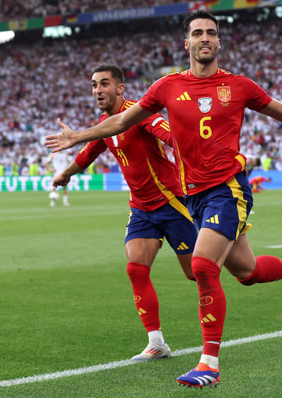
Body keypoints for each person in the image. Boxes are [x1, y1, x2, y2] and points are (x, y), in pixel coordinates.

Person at [46, 10, 282, 388]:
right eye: (197, 33)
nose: (204, 38)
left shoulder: (239, 86)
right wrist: (80, 137)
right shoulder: (166, 87)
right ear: (186, 43)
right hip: (194, 197)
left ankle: (209, 363)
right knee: (246, 271)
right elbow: (123, 121)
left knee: (204, 266)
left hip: (229, 188)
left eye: (211, 33)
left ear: (219, 42)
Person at [52, 63, 199, 362]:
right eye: (94, 85)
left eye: (104, 84)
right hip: (142, 209)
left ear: (120, 88)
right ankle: (156, 342)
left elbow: (168, 132)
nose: (97, 90)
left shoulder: (139, 113)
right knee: (136, 268)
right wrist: (66, 175)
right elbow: (89, 153)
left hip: (171, 203)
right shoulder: (104, 125)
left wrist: (184, 142)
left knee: (199, 272)